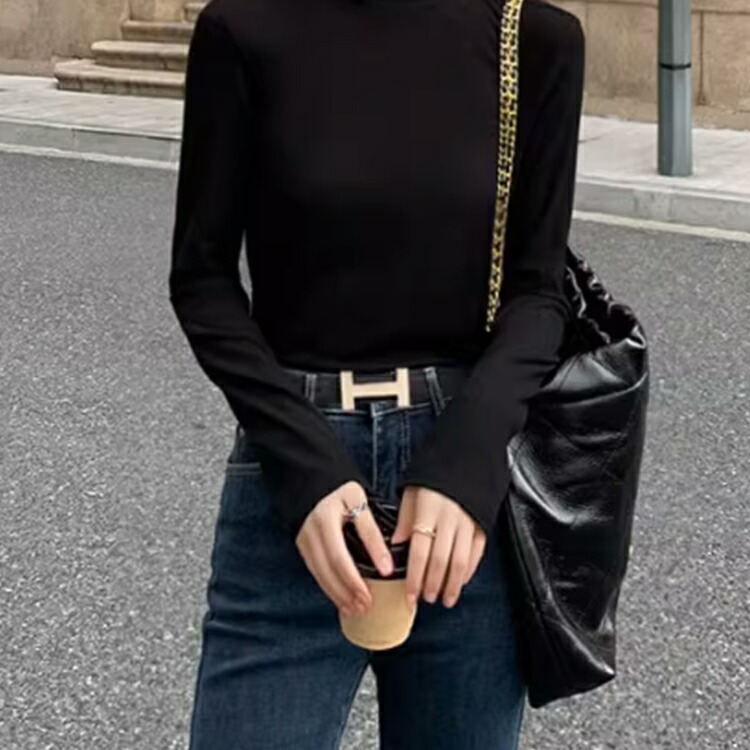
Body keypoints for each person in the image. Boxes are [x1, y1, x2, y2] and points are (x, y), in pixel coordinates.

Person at [168, 0, 585, 747]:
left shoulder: (532, 38)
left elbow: (539, 291)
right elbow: (201, 278)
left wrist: (467, 458)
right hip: (294, 485)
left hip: (462, 511)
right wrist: (303, 464)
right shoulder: (245, 28)